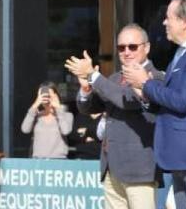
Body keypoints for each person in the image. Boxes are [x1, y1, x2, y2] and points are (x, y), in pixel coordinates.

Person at [122, 0, 186, 209]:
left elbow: (182, 100)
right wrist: (144, 92)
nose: (164, 22)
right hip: (181, 155)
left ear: (185, 21)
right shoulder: (183, 53)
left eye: (169, 17)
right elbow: (171, 99)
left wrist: (146, 84)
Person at [66, 24, 162, 208]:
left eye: (132, 46)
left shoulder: (155, 78)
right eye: (121, 47)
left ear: (146, 48)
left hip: (139, 169)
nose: (126, 52)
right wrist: (86, 88)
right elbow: (90, 108)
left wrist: (94, 76)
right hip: (112, 167)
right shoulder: (114, 79)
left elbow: (125, 100)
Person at [21, 82, 73, 158]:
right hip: (38, 160)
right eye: (43, 95)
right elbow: (25, 129)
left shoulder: (66, 115)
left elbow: (66, 131)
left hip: (58, 160)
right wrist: (35, 104)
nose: (47, 98)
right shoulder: (36, 115)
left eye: (49, 95)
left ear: (56, 96)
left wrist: (58, 108)